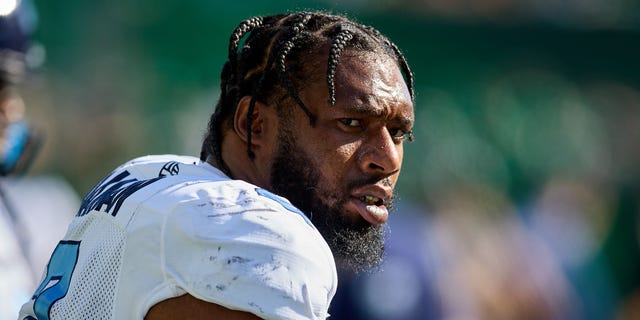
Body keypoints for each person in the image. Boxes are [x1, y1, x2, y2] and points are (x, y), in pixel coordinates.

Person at [19, 11, 415, 320]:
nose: (387, 157)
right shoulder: (264, 233)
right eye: (351, 124)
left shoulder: (141, 173)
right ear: (254, 124)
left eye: (398, 132)